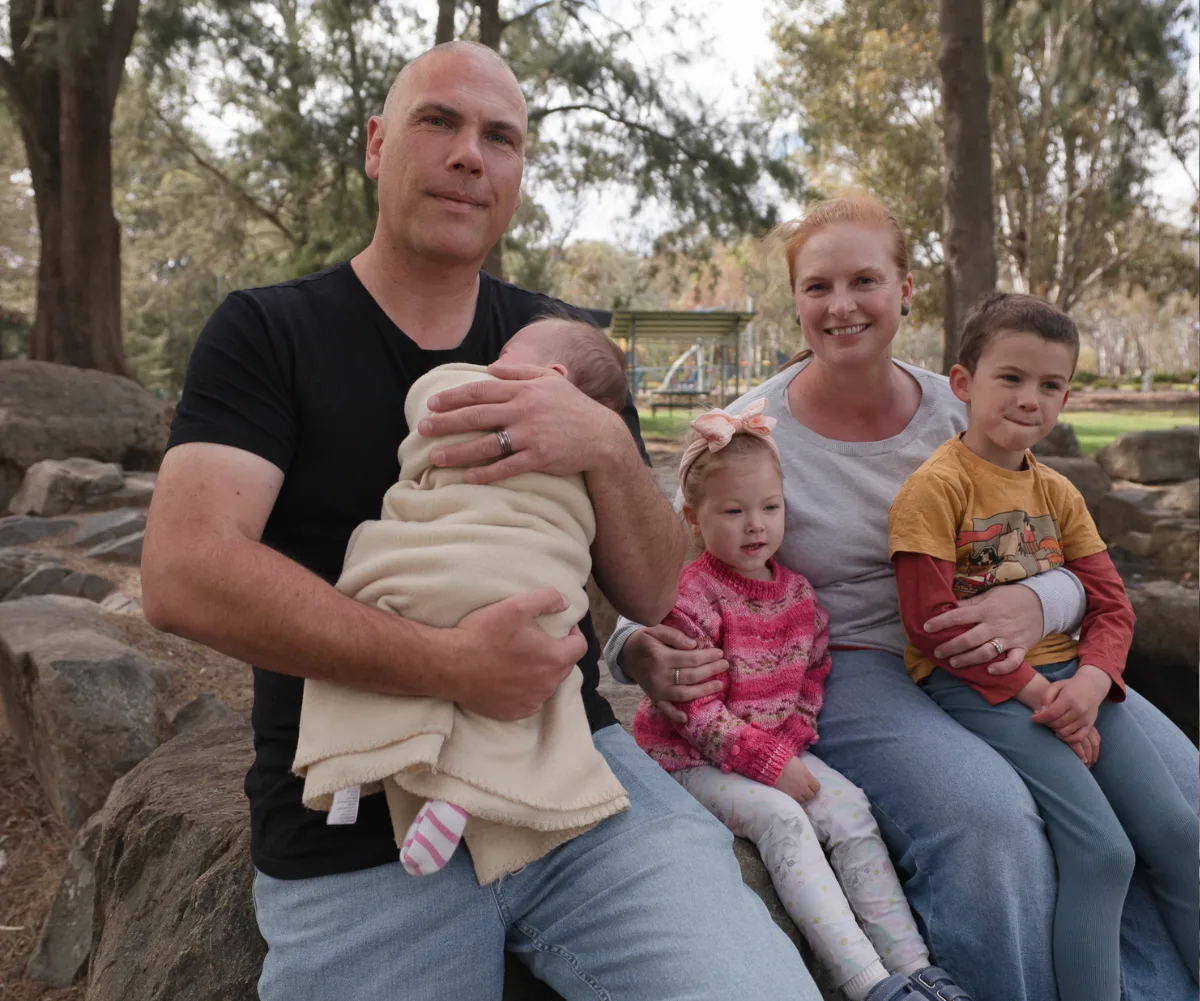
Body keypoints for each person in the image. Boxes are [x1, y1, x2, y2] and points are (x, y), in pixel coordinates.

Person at [141, 40, 826, 1000]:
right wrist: (450, 665)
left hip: (578, 786)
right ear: (378, 145)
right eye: (439, 122)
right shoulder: (268, 333)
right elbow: (183, 569)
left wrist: (604, 444)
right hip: (359, 822)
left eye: (500, 136)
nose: (471, 154)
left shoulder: (563, 350)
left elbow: (653, 586)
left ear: (517, 175)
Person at [604, 192, 1200, 1001]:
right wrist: (634, 648)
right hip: (852, 662)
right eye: (818, 287)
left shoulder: (969, 401)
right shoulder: (747, 432)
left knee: (1181, 797)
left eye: (864, 280)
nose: (841, 306)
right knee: (989, 820)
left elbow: (1057, 533)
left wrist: (1045, 604)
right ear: (796, 301)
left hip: (1011, 645)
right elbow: (654, 571)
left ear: (906, 287)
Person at [888, 291, 1198, 1001]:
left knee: (1179, 832)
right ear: (963, 384)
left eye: (1050, 385)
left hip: (1070, 683)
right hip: (982, 688)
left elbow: (1112, 603)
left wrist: (1089, 687)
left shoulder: (1058, 492)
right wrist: (1044, 697)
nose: (1031, 399)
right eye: (1012, 377)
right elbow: (933, 625)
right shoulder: (934, 490)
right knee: (1101, 851)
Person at [632, 403, 972, 1001]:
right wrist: (769, 764)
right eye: (733, 512)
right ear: (694, 517)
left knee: (849, 810)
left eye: (769, 507)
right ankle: (868, 984)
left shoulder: (798, 596)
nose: (755, 525)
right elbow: (693, 713)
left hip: (772, 750)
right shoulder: (692, 598)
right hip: (688, 761)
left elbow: (811, 679)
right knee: (784, 820)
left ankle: (914, 968)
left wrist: (789, 745)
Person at [294, 315, 632, 883]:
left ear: (549, 377)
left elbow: (431, 410)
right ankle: (458, 801)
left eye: (505, 353)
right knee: (521, 698)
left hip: (450, 566)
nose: (491, 361)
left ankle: (353, 771)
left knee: (370, 601)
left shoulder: (483, 394)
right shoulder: (582, 462)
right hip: (531, 585)